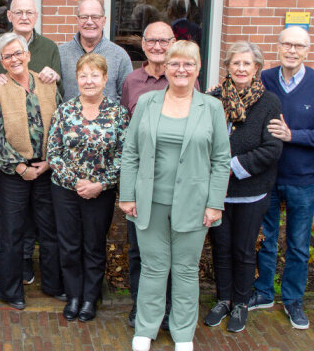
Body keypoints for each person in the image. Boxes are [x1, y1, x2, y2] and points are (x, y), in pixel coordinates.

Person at [120, 40, 230, 351]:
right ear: (165, 67)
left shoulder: (211, 107)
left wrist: (214, 203)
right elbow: (131, 152)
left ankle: (183, 333)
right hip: (150, 201)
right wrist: (127, 194)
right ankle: (146, 328)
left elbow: (221, 159)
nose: (181, 69)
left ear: (197, 69)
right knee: (153, 267)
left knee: (184, 269)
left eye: (188, 64)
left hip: (195, 204)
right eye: (175, 63)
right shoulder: (148, 103)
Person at [252, 26, 314, 330]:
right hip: (267, 176)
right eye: (287, 44)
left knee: (299, 244)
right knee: (266, 239)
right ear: (278, 47)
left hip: (302, 178)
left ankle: (292, 299)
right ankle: (264, 292)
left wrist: (293, 135)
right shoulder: (263, 79)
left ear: (307, 51)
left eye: (298, 46)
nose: (292, 50)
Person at [0, 0, 63, 288]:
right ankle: (10, 289)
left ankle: (53, 286)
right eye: (8, 56)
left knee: (49, 230)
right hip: (15, 173)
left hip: (47, 170)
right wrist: (20, 168)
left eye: (19, 54)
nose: (14, 59)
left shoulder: (47, 84)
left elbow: (60, 126)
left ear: (28, 55)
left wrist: (48, 163)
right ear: (1, 62)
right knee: (11, 231)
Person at [119, 21, 200, 328]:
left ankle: (168, 309)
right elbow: (129, 137)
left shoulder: (184, 78)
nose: (156, 46)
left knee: (174, 254)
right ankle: (142, 307)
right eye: (151, 41)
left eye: (163, 41)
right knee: (140, 251)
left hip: (177, 186)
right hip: (143, 182)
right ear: (143, 45)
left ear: (172, 44)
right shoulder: (131, 81)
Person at [202, 40, 282, 333]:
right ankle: (223, 299)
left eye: (247, 63)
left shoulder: (269, 102)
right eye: (235, 63)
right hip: (217, 194)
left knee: (243, 250)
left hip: (250, 192)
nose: (241, 68)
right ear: (227, 66)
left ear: (257, 68)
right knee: (220, 248)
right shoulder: (211, 99)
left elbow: (271, 149)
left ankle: (241, 303)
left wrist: (229, 168)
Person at [47, 53, 128, 322]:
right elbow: (54, 152)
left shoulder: (118, 113)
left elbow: (124, 155)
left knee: (93, 245)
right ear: (76, 78)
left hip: (100, 193)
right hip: (65, 191)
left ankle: (90, 298)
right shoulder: (65, 110)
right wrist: (76, 182)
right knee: (69, 245)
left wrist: (100, 184)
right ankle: (73, 295)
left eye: (95, 75)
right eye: (83, 75)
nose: (89, 80)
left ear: (105, 79)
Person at [58, 0, 133, 102]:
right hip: (68, 116)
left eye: (95, 17)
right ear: (77, 20)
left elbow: (127, 97)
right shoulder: (60, 53)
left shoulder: (119, 56)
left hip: (108, 117)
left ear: (104, 20)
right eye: (84, 17)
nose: (89, 22)